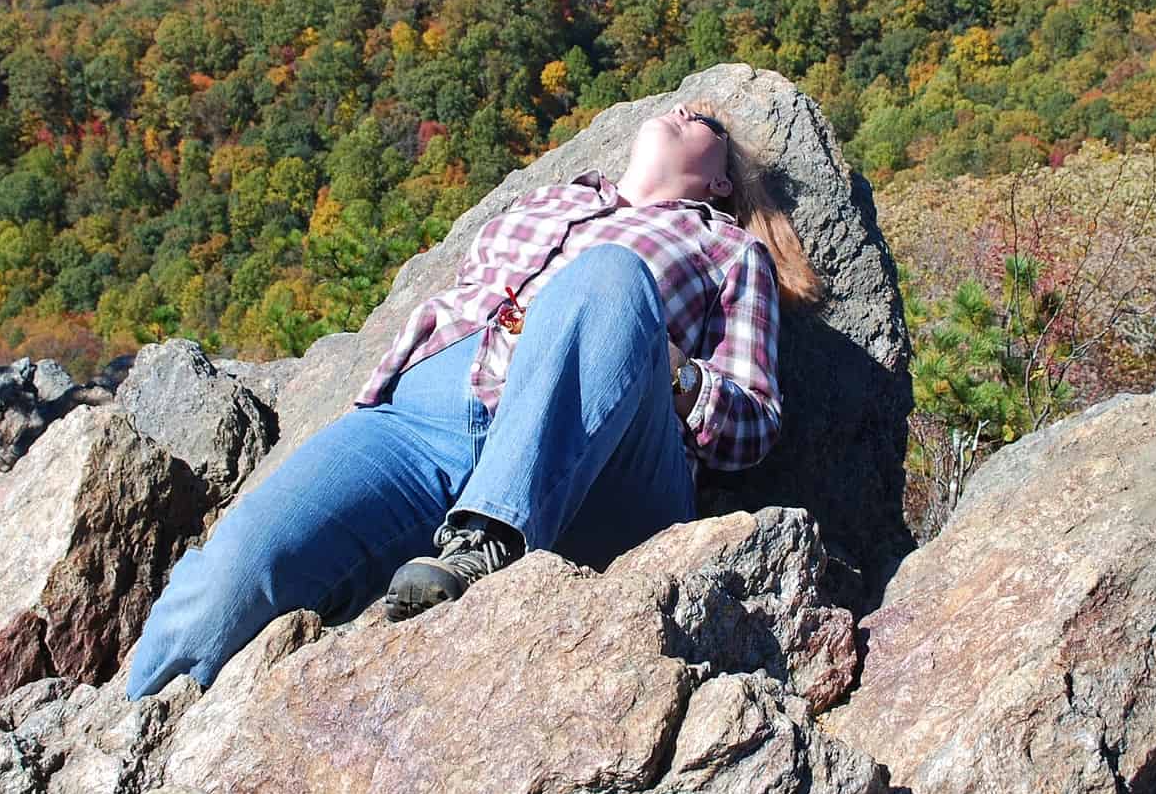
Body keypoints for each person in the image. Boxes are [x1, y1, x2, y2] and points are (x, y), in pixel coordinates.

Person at [125, 101, 821, 698]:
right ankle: (140, 721)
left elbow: (753, 424)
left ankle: (490, 544)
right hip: (422, 428)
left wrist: (674, 372)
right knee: (241, 563)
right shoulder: (549, 201)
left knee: (608, 273)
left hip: (591, 464)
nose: (681, 109)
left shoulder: (725, 248)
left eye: (701, 119)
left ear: (722, 179)